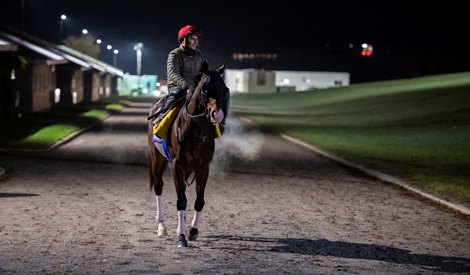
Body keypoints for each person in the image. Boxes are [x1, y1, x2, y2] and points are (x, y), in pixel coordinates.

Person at [156, 24, 205, 120]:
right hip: (178, 87)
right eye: (192, 39)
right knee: (174, 98)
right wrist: (187, 86)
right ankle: (161, 120)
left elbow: (204, 72)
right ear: (183, 40)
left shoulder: (199, 55)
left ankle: (218, 124)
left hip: (195, 88)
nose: (196, 42)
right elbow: (173, 74)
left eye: (197, 39)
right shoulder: (175, 54)